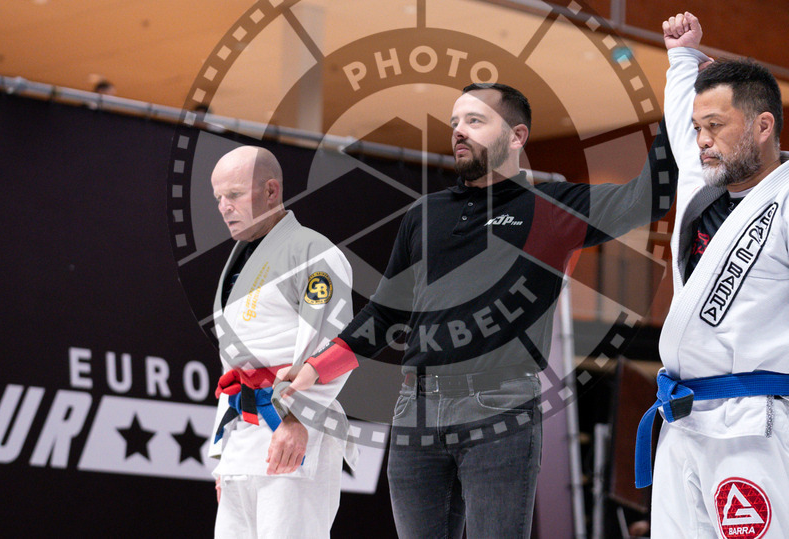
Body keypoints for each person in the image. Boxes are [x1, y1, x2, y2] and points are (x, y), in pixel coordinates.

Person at [279, 81, 681, 538]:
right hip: (417, 409)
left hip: (500, 407)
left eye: (475, 121)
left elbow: (648, 198)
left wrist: (680, 92)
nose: (459, 132)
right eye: (454, 123)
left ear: (516, 136)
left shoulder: (551, 207)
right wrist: (316, 367)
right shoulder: (423, 214)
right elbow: (386, 315)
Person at [634, 12, 789, 538]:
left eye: (716, 126)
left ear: (763, 127)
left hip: (754, 421)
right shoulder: (704, 189)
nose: (703, 140)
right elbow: (679, 125)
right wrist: (681, 59)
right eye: (700, 129)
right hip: (684, 418)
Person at [206, 145, 355, 538]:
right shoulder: (239, 259)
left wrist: (299, 418)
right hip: (243, 435)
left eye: (234, 195)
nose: (224, 207)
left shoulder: (312, 252)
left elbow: (333, 347)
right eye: (219, 198)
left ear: (271, 191)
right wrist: (222, 455)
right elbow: (231, 367)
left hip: (292, 426)